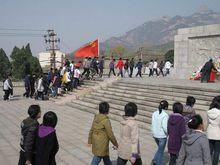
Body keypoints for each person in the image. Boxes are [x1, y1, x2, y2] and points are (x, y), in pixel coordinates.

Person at [151, 100, 169, 165]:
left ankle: (155, 161)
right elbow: (165, 127)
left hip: (155, 135)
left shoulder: (154, 113)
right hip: (162, 136)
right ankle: (157, 163)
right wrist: (168, 133)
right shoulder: (165, 115)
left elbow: (152, 124)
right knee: (161, 151)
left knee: (160, 149)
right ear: (166, 107)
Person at [207, 96, 220, 165]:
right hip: (218, 134)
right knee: (217, 151)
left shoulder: (208, 112)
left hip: (210, 133)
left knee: (210, 151)